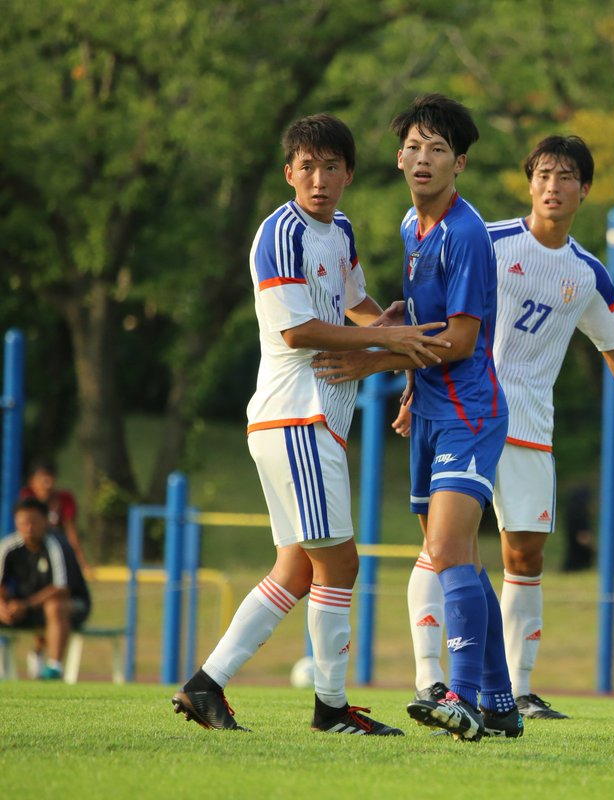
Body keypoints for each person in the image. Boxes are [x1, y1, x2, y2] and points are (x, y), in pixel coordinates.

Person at [317, 133, 614, 723]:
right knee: (443, 548)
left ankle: (517, 690)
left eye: (566, 176)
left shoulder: (590, 275)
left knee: (523, 556)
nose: (553, 186)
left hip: (528, 426)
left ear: (585, 190)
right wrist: (413, 391)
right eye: (544, 174)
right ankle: (432, 681)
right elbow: (433, 319)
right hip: (464, 412)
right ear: (529, 182)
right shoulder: (487, 240)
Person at [171, 113, 448, 736]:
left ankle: (205, 685)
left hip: (306, 421)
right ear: (288, 171)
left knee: (297, 568)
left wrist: (392, 328)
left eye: (330, 167)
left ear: (349, 173)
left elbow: (356, 308)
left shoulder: (340, 230)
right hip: (296, 415)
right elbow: (296, 329)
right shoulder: (280, 233)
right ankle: (330, 708)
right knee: (340, 565)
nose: (318, 179)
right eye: (306, 166)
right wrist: (395, 341)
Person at [317, 94, 521, 741]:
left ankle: (459, 693)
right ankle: (500, 701)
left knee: (448, 550)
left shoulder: (464, 232)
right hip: (431, 409)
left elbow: (460, 339)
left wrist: (374, 361)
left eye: (437, 149)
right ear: (399, 156)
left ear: (459, 163)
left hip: (471, 410)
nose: (422, 158)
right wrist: (406, 378)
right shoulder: (412, 225)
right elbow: (422, 315)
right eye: (413, 146)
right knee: (455, 555)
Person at [0, 498, 91, 680]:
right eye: (23, 523)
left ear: (45, 521)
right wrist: (3, 606)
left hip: (72, 605)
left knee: (54, 606)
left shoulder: (57, 545)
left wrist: (24, 605)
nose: (28, 528)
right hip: (26, 607)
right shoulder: (9, 546)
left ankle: (54, 668)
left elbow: (62, 589)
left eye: (33, 522)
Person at [20, 460, 88, 575]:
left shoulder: (64, 499)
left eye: (50, 478)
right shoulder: (26, 498)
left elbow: (71, 532)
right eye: (42, 479)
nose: (47, 484)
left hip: (53, 549)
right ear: (32, 481)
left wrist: (82, 562)